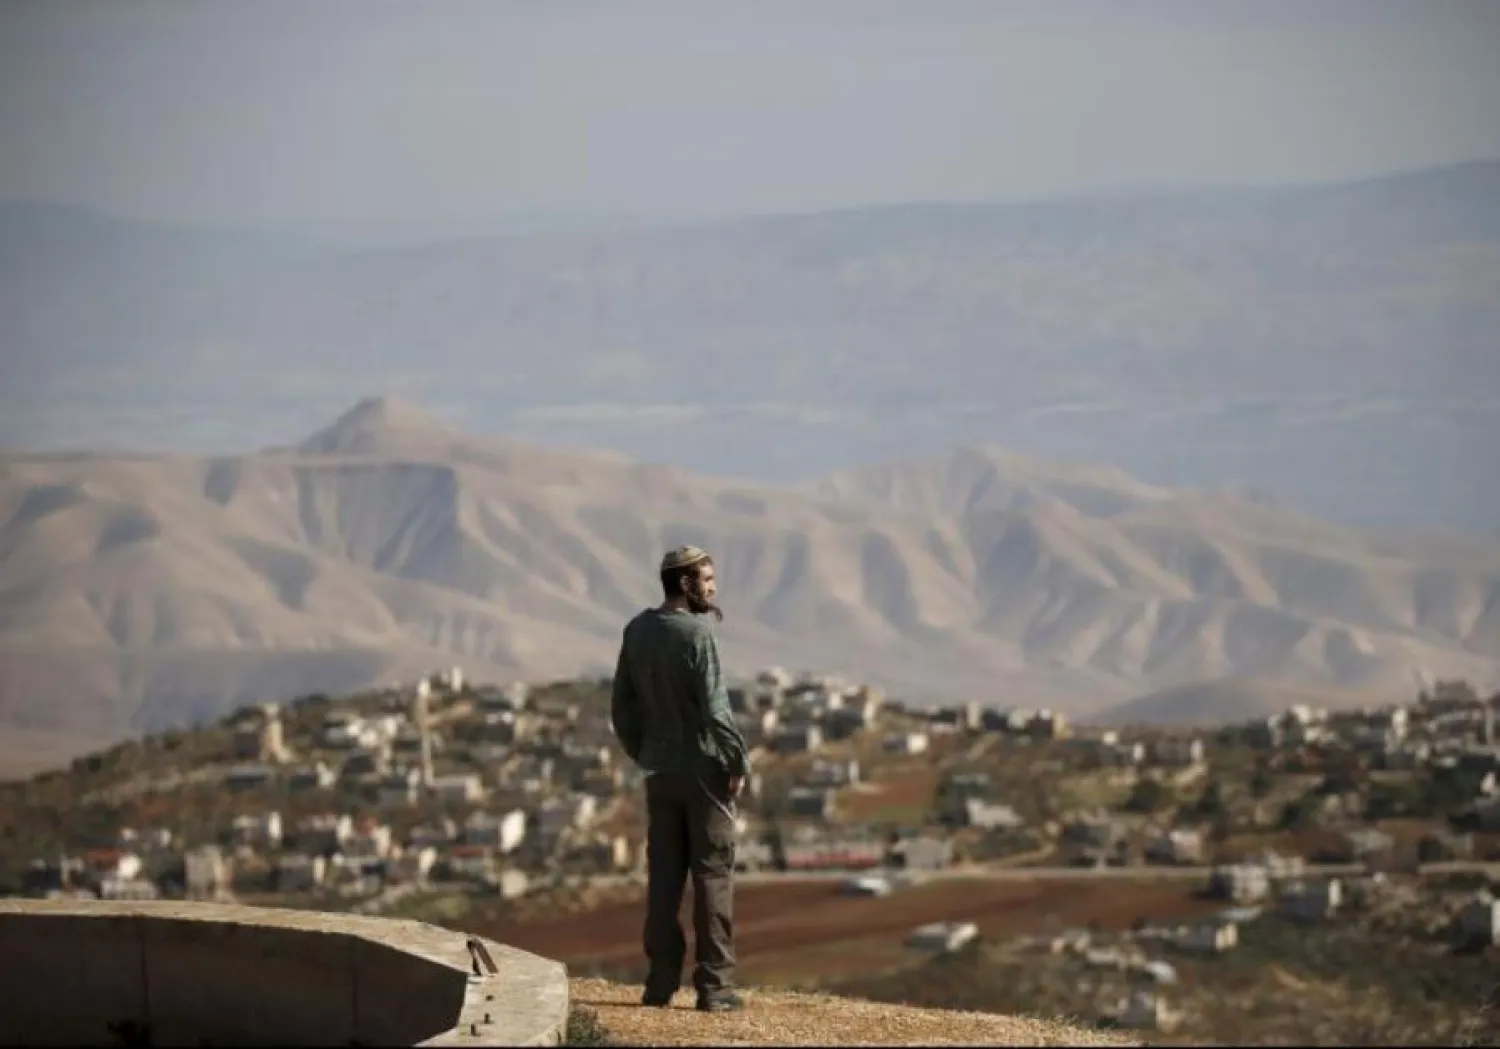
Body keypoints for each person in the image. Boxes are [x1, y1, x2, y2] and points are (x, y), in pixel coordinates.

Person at [611, 545, 751, 1013]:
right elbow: (716, 708)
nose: (713, 589)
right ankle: (715, 988)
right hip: (704, 773)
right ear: (687, 584)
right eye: (707, 580)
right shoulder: (698, 634)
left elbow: (622, 708)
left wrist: (644, 753)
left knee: (665, 878)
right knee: (712, 875)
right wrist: (736, 762)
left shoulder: (637, 631)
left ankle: (659, 984)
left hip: (660, 773)